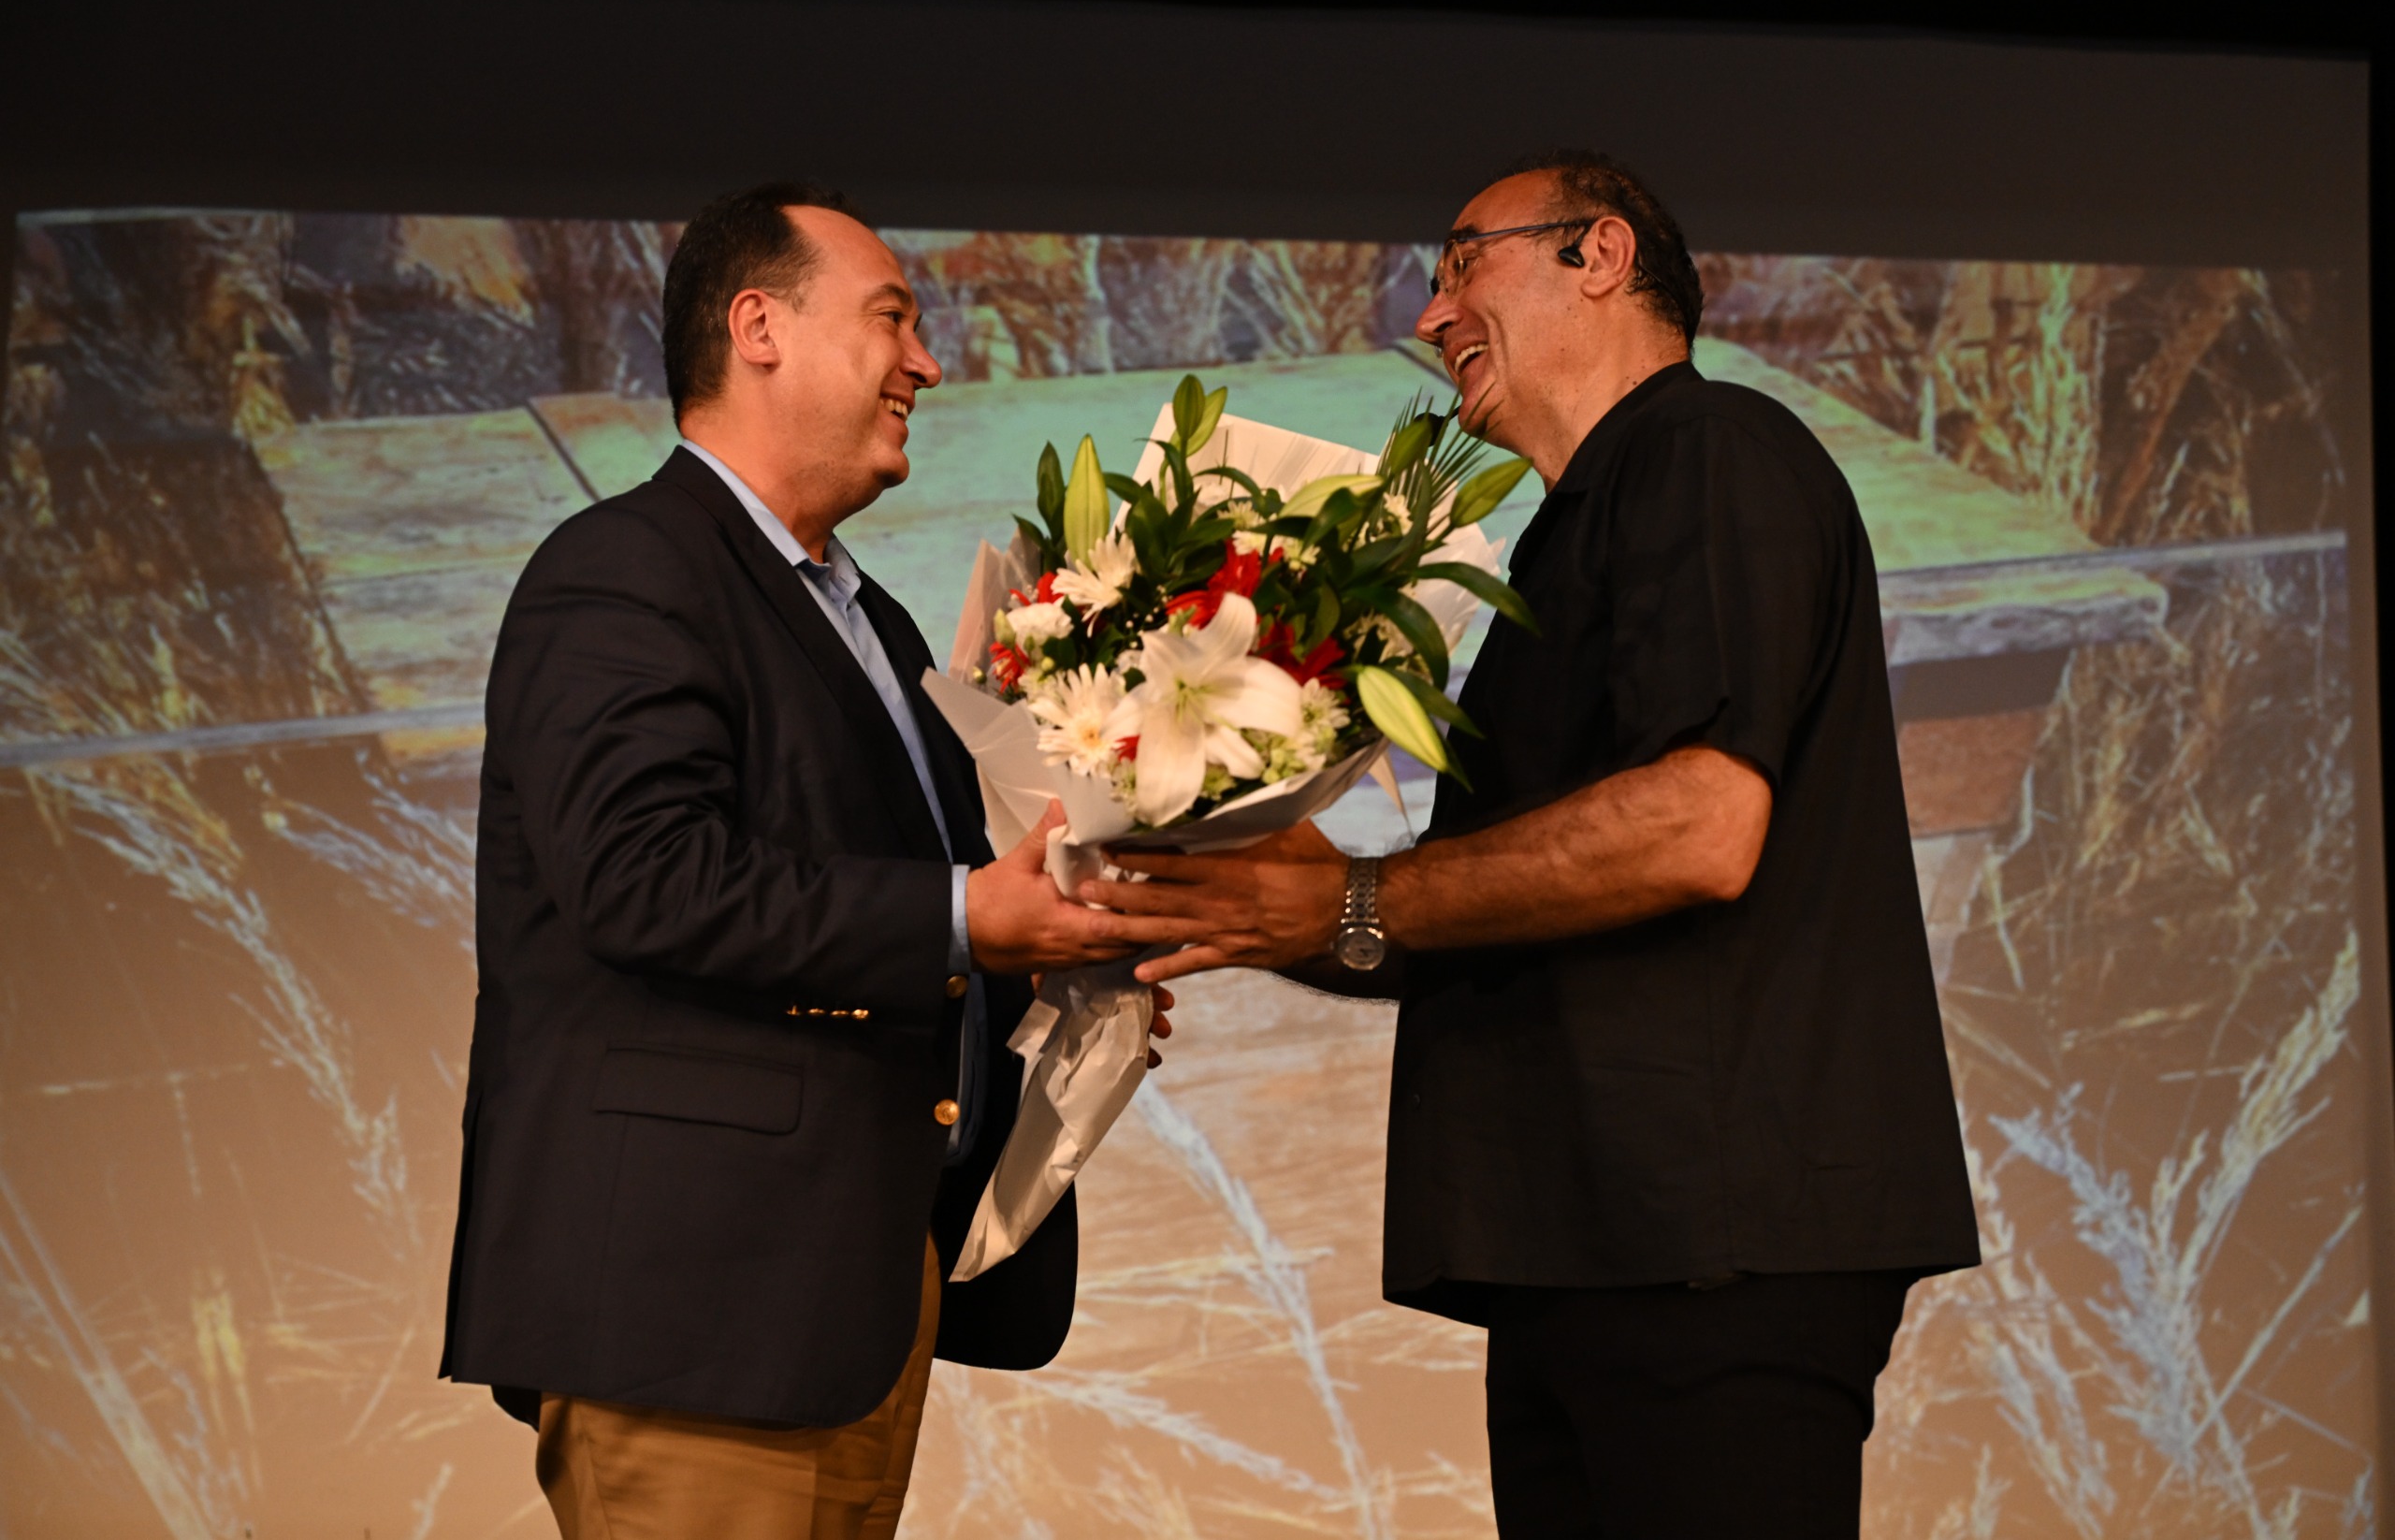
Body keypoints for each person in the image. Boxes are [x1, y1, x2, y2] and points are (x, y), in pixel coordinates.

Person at [1084, 151, 1981, 1538]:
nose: (1432, 317)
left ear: (1600, 254)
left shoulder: (1711, 450)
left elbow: (1699, 823)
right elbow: (1484, 901)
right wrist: (1240, 845)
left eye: (1460, 264)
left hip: (1709, 1255)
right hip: (1602, 1256)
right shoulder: (1565, 542)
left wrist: (1356, 898)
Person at [440, 182, 1166, 1539]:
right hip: (694, 1310)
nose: (928, 361)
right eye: (893, 317)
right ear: (757, 326)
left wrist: (1075, 959)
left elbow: (935, 907)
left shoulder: (868, 617)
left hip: (848, 1306)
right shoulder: (623, 569)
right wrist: (972, 915)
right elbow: (643, 878)